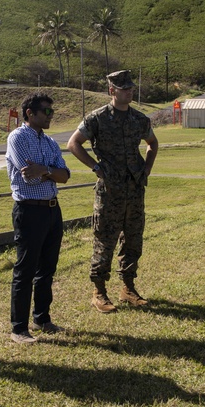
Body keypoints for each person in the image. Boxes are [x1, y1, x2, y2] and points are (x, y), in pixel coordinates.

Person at [67, 70, 159, 313]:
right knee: (105, 240)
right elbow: (73, 144)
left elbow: (153, 143)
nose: (129, 91)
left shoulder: (139, 119)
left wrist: (147, 168)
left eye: (130, 88)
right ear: (112, 91)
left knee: (133, 239)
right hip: (110, 191)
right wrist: (96, 167)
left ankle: (128, 288)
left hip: (135, 190)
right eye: (124, 88)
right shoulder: (97, 119)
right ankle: (99, 291)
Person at [5, 92, 71, 343]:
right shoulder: (18, 137)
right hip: (29, 210)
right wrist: (49, 171)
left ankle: (42, 318)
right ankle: (19, 328)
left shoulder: (50, 141)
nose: (50, 116)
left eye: (51, 111)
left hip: (53, 209)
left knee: (47, 268)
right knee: (25, 268)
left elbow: (65, 175)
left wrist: (45, 170)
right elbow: (28, 175)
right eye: (46, 111)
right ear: (30, 113)